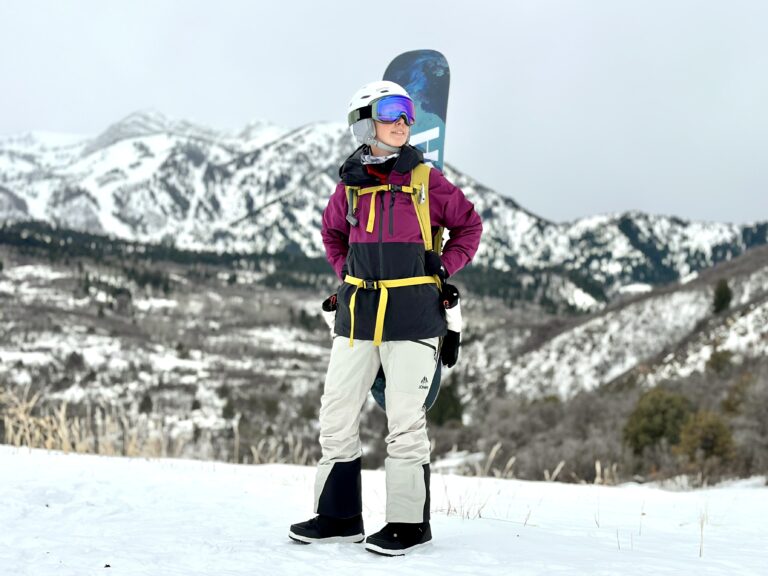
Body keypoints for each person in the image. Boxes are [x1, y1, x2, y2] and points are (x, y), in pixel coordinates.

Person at [289, 80, 482, 556]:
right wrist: (346, 272)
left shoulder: (424, 181)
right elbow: (332, 236)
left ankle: (408, 524)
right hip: (357, 315)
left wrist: (445, 263)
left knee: (404, 421)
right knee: (335, 415)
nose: (403, 122)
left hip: (413, 317)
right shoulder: (349, 188)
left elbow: (469, 225)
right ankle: (338, 517)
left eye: (408, 114)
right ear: (364, 121)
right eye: (391, 112)